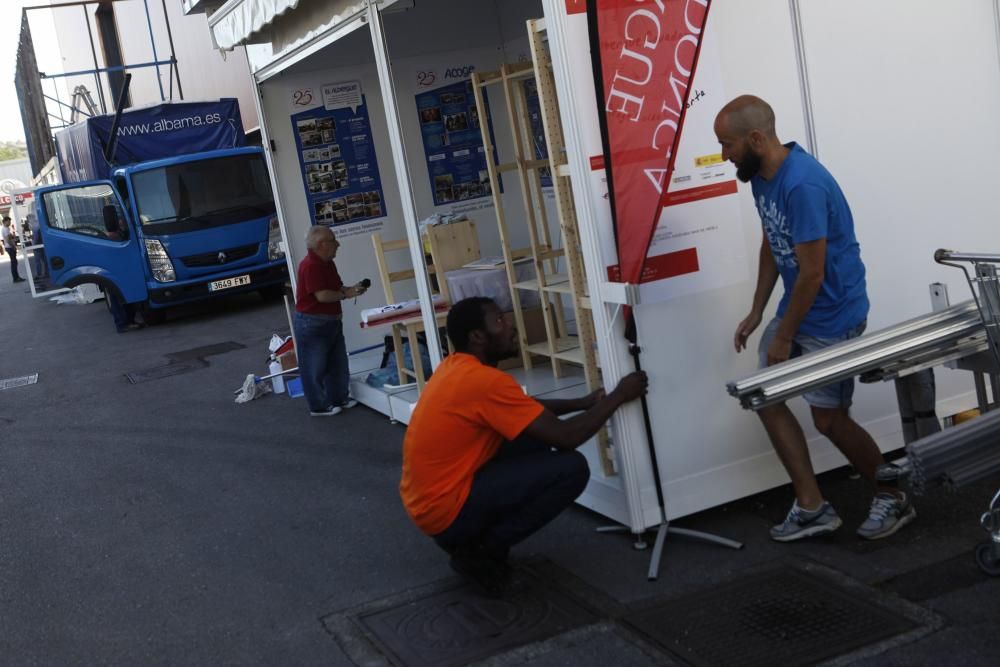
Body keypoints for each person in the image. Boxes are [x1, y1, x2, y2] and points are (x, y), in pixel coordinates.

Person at [714, 95, 915, 542]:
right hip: (799, 306)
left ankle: (891, 495)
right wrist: (757, 310)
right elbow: (772, 242)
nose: (725, 155)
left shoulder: (802, 184)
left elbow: (813, 272)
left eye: (727, 145)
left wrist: (783, 337)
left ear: (755, 138)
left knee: (829, 419)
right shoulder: (761, 178)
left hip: (832, 313)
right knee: (765, 394)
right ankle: (812, 506)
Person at [400, 297, 648, 596]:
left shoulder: (455, 367)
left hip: (430, 503)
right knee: (571, 468)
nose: (511, 327)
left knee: (534, 441)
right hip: (445, 510)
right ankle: (480, 552)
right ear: (477, 336)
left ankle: (470, 540)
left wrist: (580, 403)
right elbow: (567, 437)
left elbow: (523, 408)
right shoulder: (483, 381)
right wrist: (619, 395)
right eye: (500, 322)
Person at [294, 225, 368, 416]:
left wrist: (351, 290)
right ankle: (318, 406)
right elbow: (323, 296)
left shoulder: (326, 262)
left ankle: (339, 398)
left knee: (338, 363)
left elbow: (336, 288)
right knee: (314, 366)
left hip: (330, 321)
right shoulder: (311, 265)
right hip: (313, 323)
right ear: (321, 244)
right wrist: (346, 294)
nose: (338, 244)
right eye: (333, 240)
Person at [1, 216, 25, 283]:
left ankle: (16, 277)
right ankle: (16, 278)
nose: (9, 222)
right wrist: (13, 247)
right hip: (10, 247)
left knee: (14, 262)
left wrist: (12, 235)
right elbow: (8, 240)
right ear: (5, 221)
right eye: (9, 221)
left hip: (9, 247)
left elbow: (10, 236)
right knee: (14, 263)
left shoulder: (6, 228)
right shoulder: (5, 229)